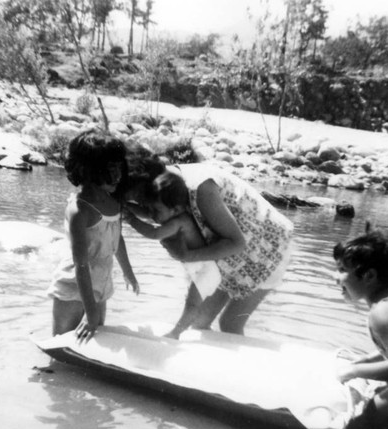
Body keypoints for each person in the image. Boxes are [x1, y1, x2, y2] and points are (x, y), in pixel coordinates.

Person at [125, 162, 294, 337]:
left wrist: (187, 256)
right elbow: (157, 213)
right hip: (228, 258)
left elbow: (237, 243)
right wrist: (124, 207)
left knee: (229, 323)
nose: (146, 208)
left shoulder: (199, 188)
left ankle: (242, 362)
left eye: (140, 199)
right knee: (199, 321)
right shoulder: (170, 186)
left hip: (267, 249)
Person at [48, 131, 139, 341]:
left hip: (100, 286)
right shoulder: (80, 210)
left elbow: (118, 239)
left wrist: (128, 272)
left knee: (94, 342)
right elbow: (80, 266)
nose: (118, 175)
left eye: (119, 167)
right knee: (61, 343)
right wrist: (91, 314)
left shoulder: (113, 201)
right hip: (74, 287)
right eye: (110, 169)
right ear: (88, 171)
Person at [334, 223, 388, 425]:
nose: (335, 278)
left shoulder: (382, 312)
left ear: (369, 276)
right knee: (383, 393)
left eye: (342, 270)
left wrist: (353, 371)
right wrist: (365, 360)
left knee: (365, 418)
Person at [123, 170, 222, 337]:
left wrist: (131, 219)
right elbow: (146, 213)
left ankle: (175, 333)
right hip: (199, 268)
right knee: (192, 304)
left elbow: (154, 234)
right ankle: (198, 331)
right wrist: (125, 205)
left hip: (206, 271)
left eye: (156, 210)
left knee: (192, 305)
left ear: (176, 209)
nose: (152, 214)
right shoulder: (172, 214)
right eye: (150, 209)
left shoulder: (180, 221)